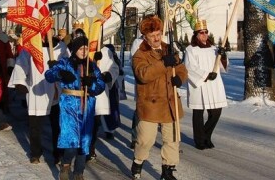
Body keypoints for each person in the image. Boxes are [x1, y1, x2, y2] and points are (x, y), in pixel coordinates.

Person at [130, 15, 188, 180]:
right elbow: (143, 75)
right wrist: (163, 64)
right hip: (150, 104)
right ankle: (138, 161)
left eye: (158, 33)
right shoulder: (140, 54)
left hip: (170, 103)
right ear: (145, 37)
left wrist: (180, 78)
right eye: (152, 35)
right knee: (145, 140)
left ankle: (167, 170)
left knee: (172, 140)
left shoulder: (169, 49)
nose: (156, 38)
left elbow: (182, 68)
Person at [45, 36, 106, 180]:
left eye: (86, 48)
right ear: (74, 50)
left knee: (84, 143)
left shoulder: (92, 66)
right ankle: (65, 164)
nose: (84, 51)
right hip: (69, 106)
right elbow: (49, 75)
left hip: (87, 106)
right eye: (80, 49)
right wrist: (60, 74)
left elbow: (101, 86)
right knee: (71, 141)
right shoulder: (65, 63)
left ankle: (79, 172)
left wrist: (91, 84)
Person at [10, 32, 69, 165]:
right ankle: (35, 152)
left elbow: (69, 64)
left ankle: (58, 153)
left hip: (55, 92)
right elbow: (21, 64)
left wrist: (61, 69)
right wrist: (20, 81)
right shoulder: (31, 48)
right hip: (36, 90)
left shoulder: (60, 48)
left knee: (58, 125)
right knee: (35, 126)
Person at [184, 19, 228, 150]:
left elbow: (222, 66)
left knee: (216, 112)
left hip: (214, 85)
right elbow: (189, 67)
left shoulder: (214, 49)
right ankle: (200, 140)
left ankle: (205, 136)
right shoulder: (191, 50)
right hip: (200, 85)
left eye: (206, 32)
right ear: (196, 34)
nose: (204, 35)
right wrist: (206, 75)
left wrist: (223, 56)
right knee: (198, 114)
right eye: (201, 33)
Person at [88, 45, 119, 162]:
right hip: (84, 93)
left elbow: (114, 67)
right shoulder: (84, 47)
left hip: (99, 93)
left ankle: (90, 149)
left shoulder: (106, 51)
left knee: (95, 124)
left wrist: (108, 75)